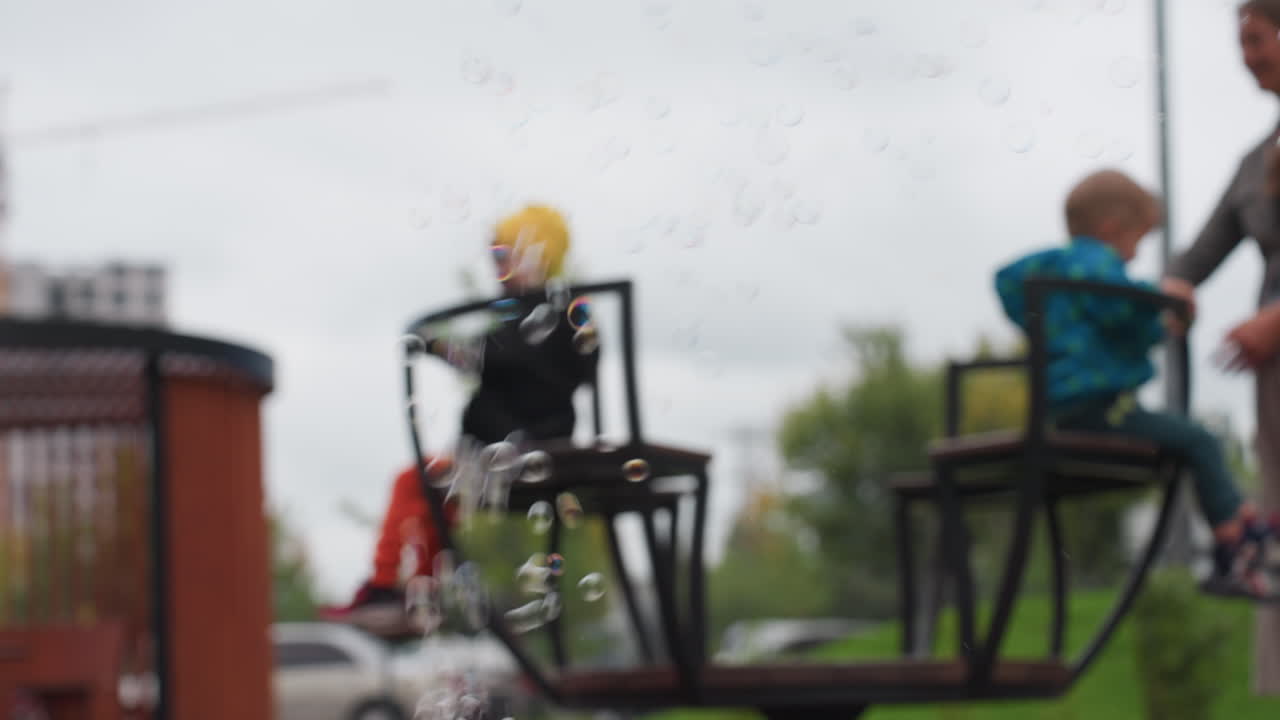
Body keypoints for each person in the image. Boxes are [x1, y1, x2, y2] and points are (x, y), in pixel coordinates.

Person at [994, 169, 1277, 599]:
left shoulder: (1054, 273)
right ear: (1111, 230)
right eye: (1136, 242)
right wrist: (1163, 304)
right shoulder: (1098, 267)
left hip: (1063, 411)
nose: (1133, 255)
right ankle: (1232, 543)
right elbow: (1122, 311)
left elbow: (1008, 281)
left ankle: (1240, 515)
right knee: (1198, 439)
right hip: (1105, 409)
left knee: (1189, 438)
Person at [320, 204, 600, 637]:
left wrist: (433, 345)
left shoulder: (543, 318)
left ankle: (391, 587)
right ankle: (418, 592)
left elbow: (484, 357)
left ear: (538, 256)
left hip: (521, 452)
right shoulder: (551, 319)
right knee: (432, 494)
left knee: (414, 484)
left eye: (506, 257)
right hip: (516, 449)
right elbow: (531, 364)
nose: (499, 270)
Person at [1158, 0, 1280, 693]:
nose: (1247, 57)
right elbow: (1195, 254)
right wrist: (1174, 288)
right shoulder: (1256, 162)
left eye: (1257, 40)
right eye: (1241, 43)